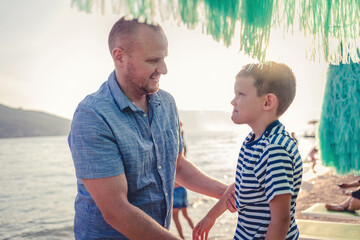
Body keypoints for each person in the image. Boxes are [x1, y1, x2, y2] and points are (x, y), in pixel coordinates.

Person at [68, 17, 234, 239]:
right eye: (153, 60)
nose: (163, 69)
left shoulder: (166, 103)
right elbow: (117, 211)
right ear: (120, 57)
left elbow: (178, 166)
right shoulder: (92, 116)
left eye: (164, 58)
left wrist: (227, 194)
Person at [193, 62, 303, 240]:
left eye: (241, 94)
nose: (233, 101)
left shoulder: (274, 149)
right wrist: (211, 216)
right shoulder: (252, 142)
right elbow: (241, 184)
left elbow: (281, 220)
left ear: (268, 102)